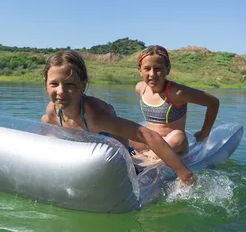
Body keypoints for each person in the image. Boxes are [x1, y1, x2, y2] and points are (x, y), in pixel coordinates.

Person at [41, 50, 194, 185]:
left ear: (82, 84)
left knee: (155, 156)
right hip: (94, 162)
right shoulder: (53, 112)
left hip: (124, 164)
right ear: (45, 84)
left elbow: (146, 134)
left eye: (69, 84)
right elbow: (45, 126)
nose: (61, 91)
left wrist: (184, 175)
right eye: (54, 84)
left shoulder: (96, 116)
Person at [135, 45, 220, 156]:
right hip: (152, 142)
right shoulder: (141, 89)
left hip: (175, 146)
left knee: (177, 136)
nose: (152, 74)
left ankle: (142, 160)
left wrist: (204, 134)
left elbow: (213, 102)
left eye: (158, 69)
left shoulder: (177, 93)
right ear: (140, 71)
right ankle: (142, 157)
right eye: (147, 68)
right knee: (129, 131)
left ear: (168, 69)